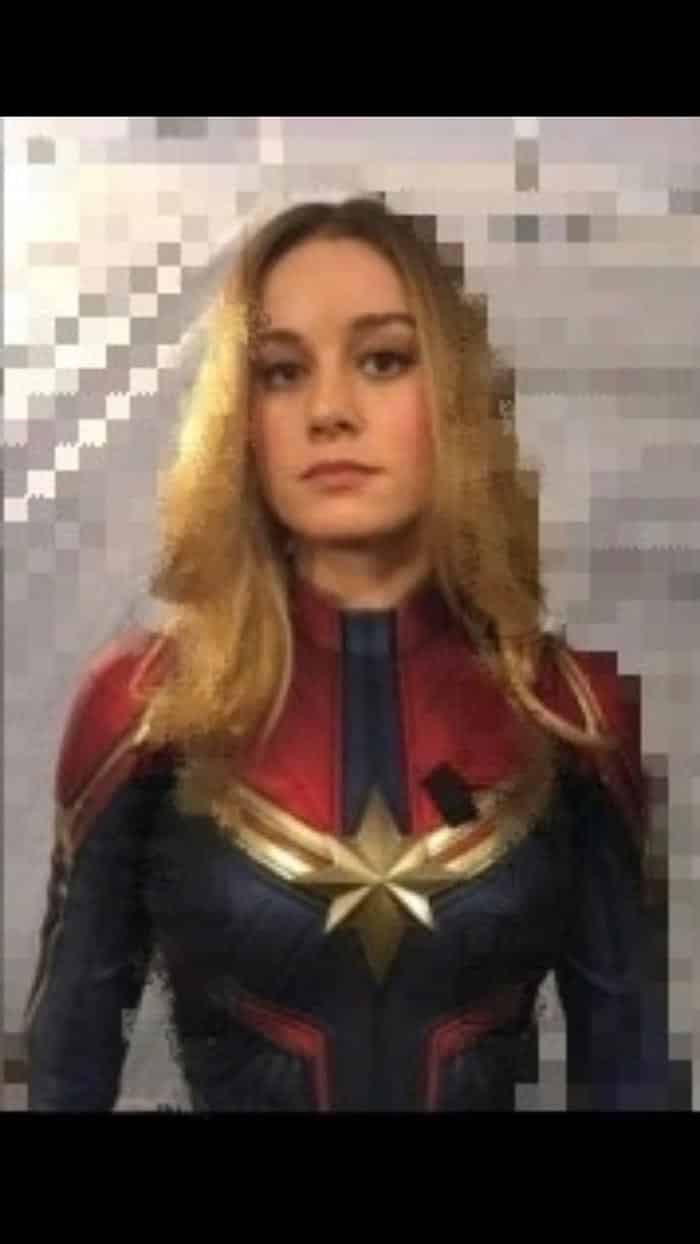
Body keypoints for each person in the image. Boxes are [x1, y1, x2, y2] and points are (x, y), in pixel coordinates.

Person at [24, 196, 672, 1111]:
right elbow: (63, 1078)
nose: (329, 411)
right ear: (240, 417)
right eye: (282, 372)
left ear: (453, 397)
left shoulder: (569, 713)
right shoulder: (146, 710)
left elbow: (632, 1078)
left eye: (383, 360)